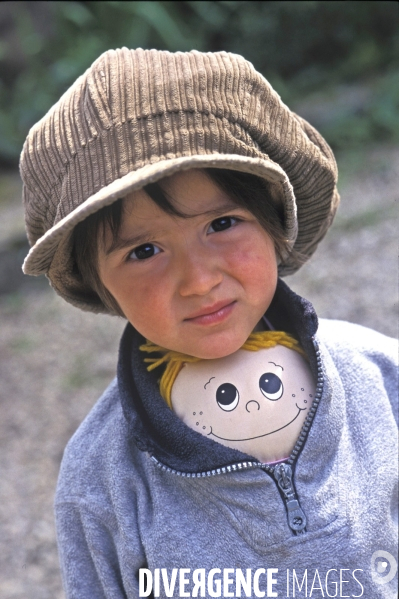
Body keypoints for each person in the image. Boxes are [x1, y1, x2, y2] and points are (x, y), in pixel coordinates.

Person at [20, 48, 397, 598]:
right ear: (99, 283)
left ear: (275, 224)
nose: (198, 280)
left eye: (222, 223)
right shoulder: (102, 481)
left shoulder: (380, 379)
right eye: (144, 251)